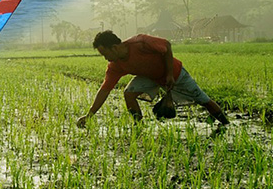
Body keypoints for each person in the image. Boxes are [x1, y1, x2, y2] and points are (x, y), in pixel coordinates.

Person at [76, 30, 229, 129]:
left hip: (174, 73)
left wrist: (169, 74)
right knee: (128, 93)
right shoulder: (115, 66)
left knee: (202, 99)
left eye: (105, 53)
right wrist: (89, 115)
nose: (105, 58)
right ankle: (139, 126)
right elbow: (105, 90)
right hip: (151, 78)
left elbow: (166, 46)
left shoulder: (140, 42)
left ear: (114, 47)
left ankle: (226, 124)